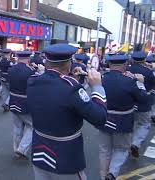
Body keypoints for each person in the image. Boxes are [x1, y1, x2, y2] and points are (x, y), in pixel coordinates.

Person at [27, 44, 107, 180]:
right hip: (64, 156)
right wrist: (97, 86)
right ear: (69, 63)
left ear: (46, 62)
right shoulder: (72, 88)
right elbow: (100, 117)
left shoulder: (33, 80)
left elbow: (55, 93)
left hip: (40, 150)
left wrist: (69, 79)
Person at [99, 54, 149, 180]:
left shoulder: (102, 79)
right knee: (121, 149)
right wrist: (141, 83)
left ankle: (103, 175)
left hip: (105, 119)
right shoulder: (130, 81)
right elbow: (143, 99)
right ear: (125, 64)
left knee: (105, 150)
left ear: (109, 64)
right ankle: (112, 173)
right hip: (123, 121)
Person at [8, 51, 38, 159]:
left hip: (13, 100)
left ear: (18, 58)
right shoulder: (30, 71)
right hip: (25, 102)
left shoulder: (11, 69)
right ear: (28, 59)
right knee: (32, 126)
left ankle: (17, 149)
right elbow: (35, 86)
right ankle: (22, 148)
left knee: (17, 126)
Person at [127, 51, 155, 158]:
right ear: (144, 60)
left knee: (130, 125)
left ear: (133, 60)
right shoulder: (148, 72)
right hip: (144, 103)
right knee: (144, 124)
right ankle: (135, 143)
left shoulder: (127, 70)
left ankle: (127, 144)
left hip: (129, 102)